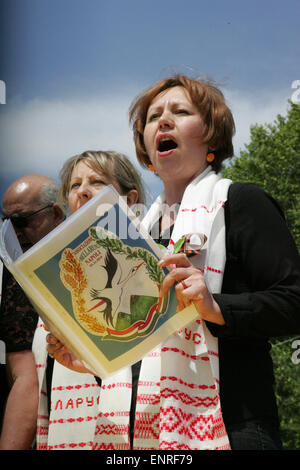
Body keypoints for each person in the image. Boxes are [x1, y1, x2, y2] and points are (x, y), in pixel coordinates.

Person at [47, 76, 300, 451]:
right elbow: (144, 352)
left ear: (212, 137)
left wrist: (216, 306)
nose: (163, 121)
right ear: (147, 148)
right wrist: (94, 362)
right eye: (153, 117)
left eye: (180, 112)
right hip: (143, 436)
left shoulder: (242, 203)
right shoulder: (134, 234)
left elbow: (293, 302)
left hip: (234, 425)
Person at [32, 150, 146, 450]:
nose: (82, 191)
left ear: (130, 199)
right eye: (74, 186)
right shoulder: (54, 284)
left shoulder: (154, 264)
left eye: (96, 181)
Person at [0, 174, 65, 449]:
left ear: (56, 213)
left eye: (23, 221)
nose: (15, 232)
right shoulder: (13, 270)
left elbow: (27, 376)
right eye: (7, 222)